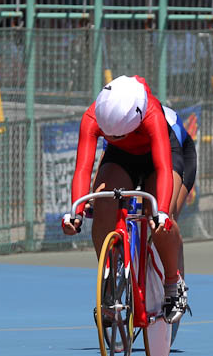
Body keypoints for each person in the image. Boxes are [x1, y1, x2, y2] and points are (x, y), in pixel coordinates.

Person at [61, 75, 188, 324]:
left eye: (118, 135)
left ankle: (173, 285)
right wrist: (75, 213)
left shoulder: (151, 112)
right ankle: (109, 283)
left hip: (162, 154)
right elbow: (82, 169)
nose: (114, 138)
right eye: (111, 136)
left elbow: (163, 168)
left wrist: (161, 211)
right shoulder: (92, 116)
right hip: (121, 157)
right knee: (103, 203)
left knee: (160, 219)